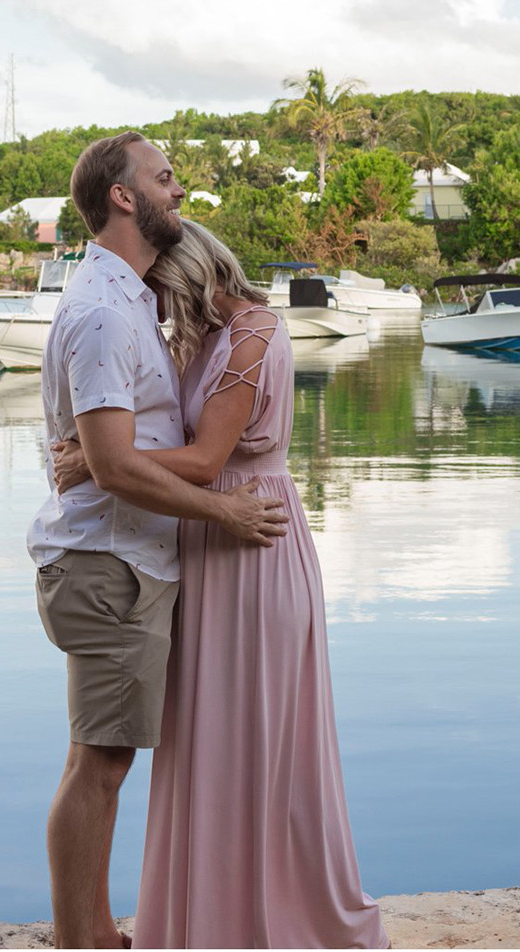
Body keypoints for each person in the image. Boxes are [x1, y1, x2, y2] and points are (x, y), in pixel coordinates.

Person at [55, 223, 386, 949]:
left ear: (197, 274)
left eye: (167, 292)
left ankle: (272, 914)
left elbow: (207, 459)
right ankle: (208, 913)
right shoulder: (195, 341)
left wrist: (96, 461)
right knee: (205, 738)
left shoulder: (254, 332)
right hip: (204, 541)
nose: (162, 310)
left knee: (259, 736)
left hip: (250, 540)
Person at [30, 132, 291, 951]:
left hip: (124, 562)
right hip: (110, 564)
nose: (178, 191)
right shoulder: (107, 311)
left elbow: (112, 453)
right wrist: (229, 515)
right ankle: (86, 941)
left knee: (101, 759)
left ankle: (96, 933)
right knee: (100, 764)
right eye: (165, 178)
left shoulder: (131, 299)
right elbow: (111, 466)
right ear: (122, 196)